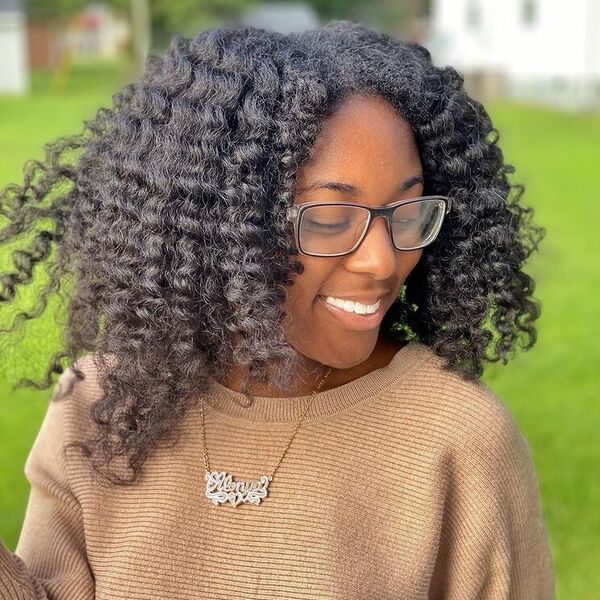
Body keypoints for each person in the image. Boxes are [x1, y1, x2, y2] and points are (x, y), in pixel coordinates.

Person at [0, 19, 554, 599]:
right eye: (330, 220)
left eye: (407, 213)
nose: (382, 262)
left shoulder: (458, 438)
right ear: (217, 229)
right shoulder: (105, 404)